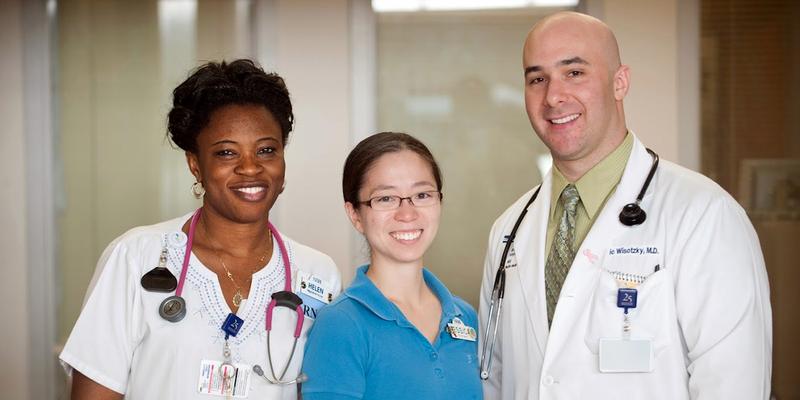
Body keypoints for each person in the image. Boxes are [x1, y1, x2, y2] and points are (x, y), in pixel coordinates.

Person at [478, 12, 772, 400]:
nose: (553, 97)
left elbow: (735, 385)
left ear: (620, 83)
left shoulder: (704, 215)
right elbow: (494, 379)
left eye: (574, 73)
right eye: (537, 79)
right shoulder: (508, 230)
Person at [60, 59, 342, 399]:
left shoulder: (318, 274)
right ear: (196, 165)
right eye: (226, 153)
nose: (250, 168)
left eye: (266, 150)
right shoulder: (136, 257)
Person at [301, 132, 483, 400]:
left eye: (422, 194)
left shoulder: (464, 318)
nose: (407, 214)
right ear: (355, 215)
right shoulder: (341, 325)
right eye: (386, 198)